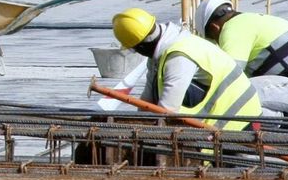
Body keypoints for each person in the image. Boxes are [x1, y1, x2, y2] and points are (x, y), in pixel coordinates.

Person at [110, 8, 262, 131]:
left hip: (239, 121)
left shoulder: (179, 56)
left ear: (141, 46)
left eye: (134, 49)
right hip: (223, 120)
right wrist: (136, 126)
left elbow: (168, 110)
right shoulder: (159, 53)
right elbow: (147, 102)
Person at [192, 0, 288, 117]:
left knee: (233, 96)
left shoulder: (233, 28)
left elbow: (231, 76)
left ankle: (281, 123)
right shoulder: (251, 20)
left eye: (213, 39)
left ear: (215, 27)